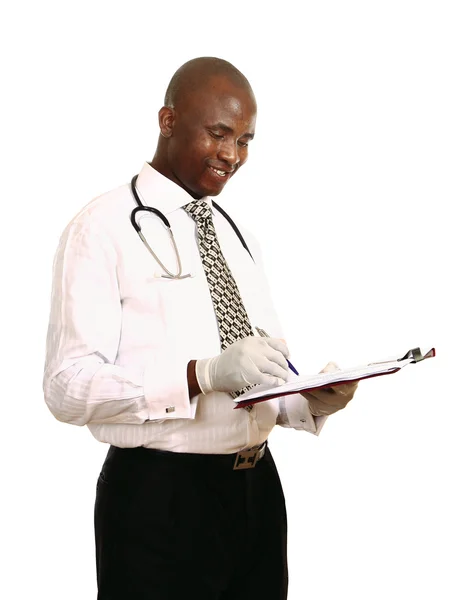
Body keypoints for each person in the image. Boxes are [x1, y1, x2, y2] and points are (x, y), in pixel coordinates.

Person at [43, 56, 358, 600]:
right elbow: (66, 388)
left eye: (245, 140)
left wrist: (311, 400)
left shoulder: (236, 233)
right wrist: (199, 374)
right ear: (167, 120)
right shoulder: (101, 230)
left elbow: (257, 372)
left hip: (257, 494)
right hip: (160, 501)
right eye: (219, 134)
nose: (232, 156)